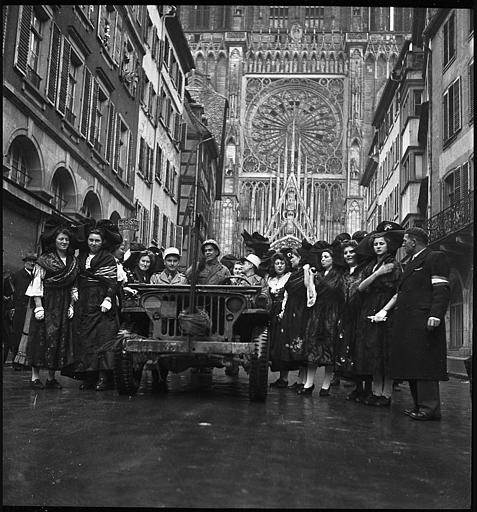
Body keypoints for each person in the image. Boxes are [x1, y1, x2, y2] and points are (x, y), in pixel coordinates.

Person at [389, 227, 450, 421]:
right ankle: (419, 405)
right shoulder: (411, 262)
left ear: (414, 242)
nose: (403, 244)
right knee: (413, 363)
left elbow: (441, 288)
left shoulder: (434, 258)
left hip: (424, 320)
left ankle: (429, 408)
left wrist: (436, 314)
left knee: (425, 365)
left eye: (405, 240)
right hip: (410, 322)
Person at [24, 227, 79, 389]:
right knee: (40, 338)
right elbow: (37, 283)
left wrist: (71, 305)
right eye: (61, 239)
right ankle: (34, 377)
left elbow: (73, 285)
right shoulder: (44, 260)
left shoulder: (72, 261)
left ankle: (50, 377)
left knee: (58, 338)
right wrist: (39, 307)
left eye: (66, 239)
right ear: (54, 241)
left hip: (62, 304)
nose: (64, 242)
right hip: (47, 302)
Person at [354, 227, 403, 407]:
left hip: (386, 308)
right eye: (375, 244)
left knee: (384, 351)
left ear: (388, 246)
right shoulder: (372, 266)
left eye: (381, 244)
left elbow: (399, 291)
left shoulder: (395, 265)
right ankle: (375, 392)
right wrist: (378, 273)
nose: (378, 246)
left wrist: (385, 310)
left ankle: (386, 394)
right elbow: (360, 288)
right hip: (369, 306)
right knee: (372, 350)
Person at [70, 226, 119, 391]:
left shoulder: (108, 258)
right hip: (84, 301)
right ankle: (88, 377)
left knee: (103, 339)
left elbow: (112, 281)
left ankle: (103, 378)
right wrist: (75, 289)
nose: (94, 243)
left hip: (101, 302)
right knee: (86, 340)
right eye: (91, 240)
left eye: (97, 240)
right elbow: (76, 275)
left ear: (102, 242)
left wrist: (108, 299)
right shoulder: (81, 257)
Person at [300, 248, 345, 396]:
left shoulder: (339, 275)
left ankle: (326, 385)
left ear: (333, 258)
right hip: (317, 313)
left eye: (326, 257)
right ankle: (309, 383)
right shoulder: (317, 274)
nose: (323, 259)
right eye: (321, 257)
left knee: (329, 348)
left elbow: (341, 295)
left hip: (332, 313)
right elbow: (309, 291)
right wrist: (310, 275)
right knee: (313, 347)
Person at [338, 240, 372, 401]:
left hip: (361, 313)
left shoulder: (364, 270)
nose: (348, 255)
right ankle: (358, 388)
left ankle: (368, 389)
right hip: (347, 316)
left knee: (362, 350)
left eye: (351, 252)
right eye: (345, 253)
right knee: (350, 351)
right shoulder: (344, 273)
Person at [274, 248, 310, 391]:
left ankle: (303, 381)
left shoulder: (305, 271)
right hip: (291, 309)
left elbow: (309, 288)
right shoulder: (296, 272)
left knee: (300, 343)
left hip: (301, 310)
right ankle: (299, 380)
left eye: (293, 257)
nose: (290, 260)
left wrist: (307, 271)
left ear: (301, 257)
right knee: (291, 343)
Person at [3, 252, 37, 368]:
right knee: (17, 335)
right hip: (19, 309)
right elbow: (10, 293)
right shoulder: (16, 276)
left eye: (34, 261)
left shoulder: (37, 276)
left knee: (30, 335)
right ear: (25, 262)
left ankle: (27, 362)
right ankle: (16, 362)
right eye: (29, 261)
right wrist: (12, 308)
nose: (32, 263)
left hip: (32, 309)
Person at [267, 252, 292, 388]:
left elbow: (288, 296)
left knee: (282, 344)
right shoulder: (269, 279)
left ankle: (284, 378)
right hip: (270, 313)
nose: (280, 266)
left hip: (283, 313)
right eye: (277, 263)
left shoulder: (289, 278)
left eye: (282, 263)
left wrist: (283, 311)